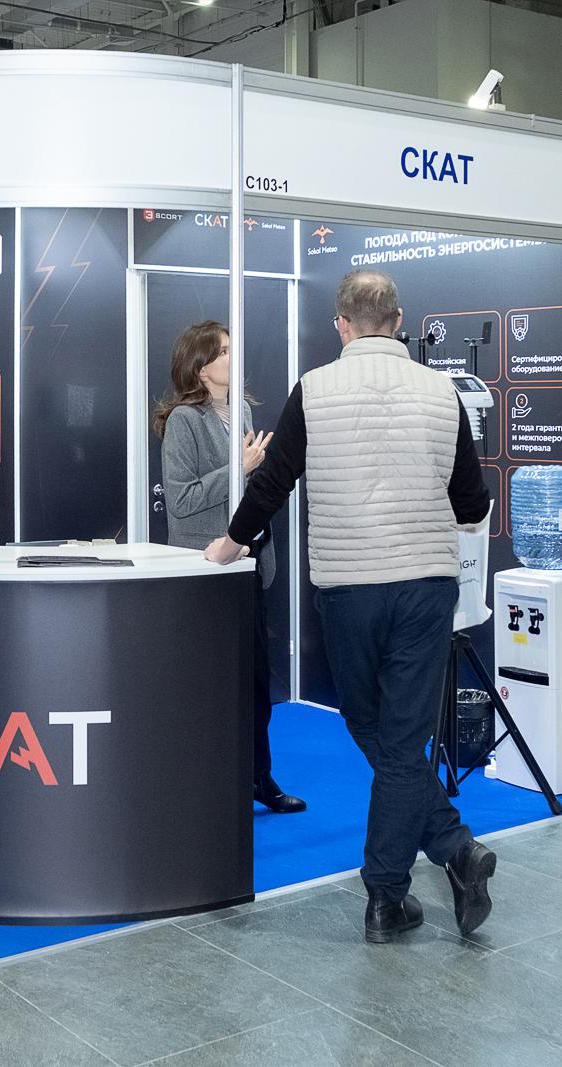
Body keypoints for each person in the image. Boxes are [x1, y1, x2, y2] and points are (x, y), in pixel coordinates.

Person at [205, 270, 496, 943]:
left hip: (348, 588)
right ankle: (449, 850)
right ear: (399, 320)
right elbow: (472, 504)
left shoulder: (314, 388)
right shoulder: (442, 391)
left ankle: (391, 893)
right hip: (425, 586)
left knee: (376, 729)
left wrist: (231, 543)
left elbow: (273, 482)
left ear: (340, 324)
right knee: (399, 739)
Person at [155, 321, 304, 815]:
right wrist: (239, 468)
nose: (231, 357)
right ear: (200, 367)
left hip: (249, 564)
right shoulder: (184, 420)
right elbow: (181, 501)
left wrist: (260, 472)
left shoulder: (240, 410)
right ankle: (204, 783)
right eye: (221, 352)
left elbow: (250, 490)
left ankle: (259, 777)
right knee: (208, 684)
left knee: (255, 685)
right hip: (206, 573)